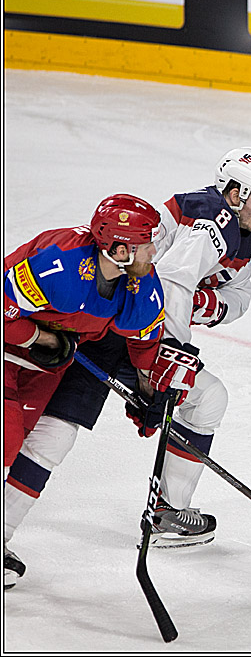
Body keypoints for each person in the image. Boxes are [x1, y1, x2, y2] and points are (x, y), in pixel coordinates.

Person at [3, 147, 251, 584]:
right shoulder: (209, 227)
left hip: (103, 332)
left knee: (52, 436)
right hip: (89, 335)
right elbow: (171, 285)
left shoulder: (207, 244)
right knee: (33, 436)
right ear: (236, 192)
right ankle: (167, 511)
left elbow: (215, 302)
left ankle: (168, 512)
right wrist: (172, 349)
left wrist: (157, 379)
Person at [4, 194, 169, 589]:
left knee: (47, 439)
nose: (154, 249)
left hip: (42, 367)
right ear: (118, 247)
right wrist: (40, 336)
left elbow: (144, 342)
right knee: (5, 436)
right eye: (146, 241)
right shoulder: (58, 261)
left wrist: (149, 391)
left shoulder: (140, 283)